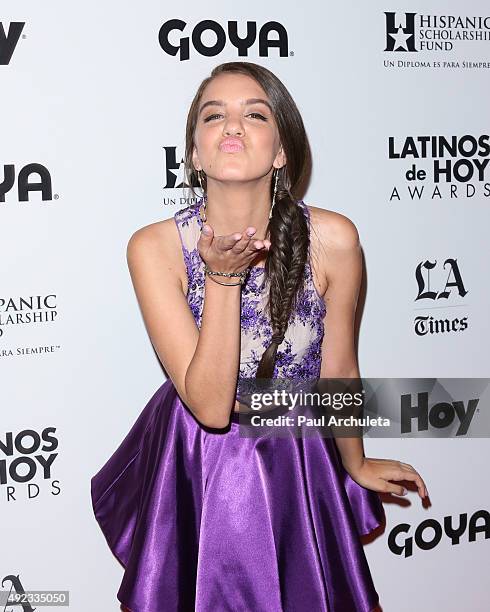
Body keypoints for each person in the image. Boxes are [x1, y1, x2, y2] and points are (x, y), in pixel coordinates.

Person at [91, 61, 428, 612]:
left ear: (281, 151)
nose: (231, 126)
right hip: (198, 459)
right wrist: (223, 277)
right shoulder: (154, 247)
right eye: (213, 115)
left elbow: (338, 366)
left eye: (254, 113)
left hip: (296, 454)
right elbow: (209, 406)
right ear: (195, 155)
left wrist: (357, 464)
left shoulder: (334, 239)